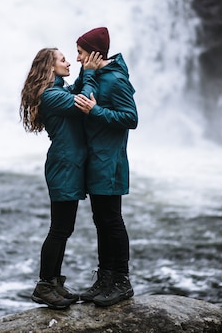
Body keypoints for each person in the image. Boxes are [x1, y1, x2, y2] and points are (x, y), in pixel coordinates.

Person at [19, 47, 100, 309]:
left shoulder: (58, 90)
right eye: (63, 59)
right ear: (50, 67)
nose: (68, 62)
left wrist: (84, 73)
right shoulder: (51, 95)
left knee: (64, 229)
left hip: (69, 165)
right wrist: (88, 73)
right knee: (59, 229)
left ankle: (53, 283)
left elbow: (75, 90)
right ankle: (44, 285)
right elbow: (85, 99)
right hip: (63, 166)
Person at [73, 27, 138, 307]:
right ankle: (105, 279)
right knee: (101, 221)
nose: (77, 58)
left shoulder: (115, 80)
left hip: (110, 162)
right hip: (96, 160)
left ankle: (121, 281)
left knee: (111, 221)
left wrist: (95, 111)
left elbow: (131, 118)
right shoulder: (93, 75)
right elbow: (76, 95)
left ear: (94, 54)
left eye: (80, 53)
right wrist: (85, 74)